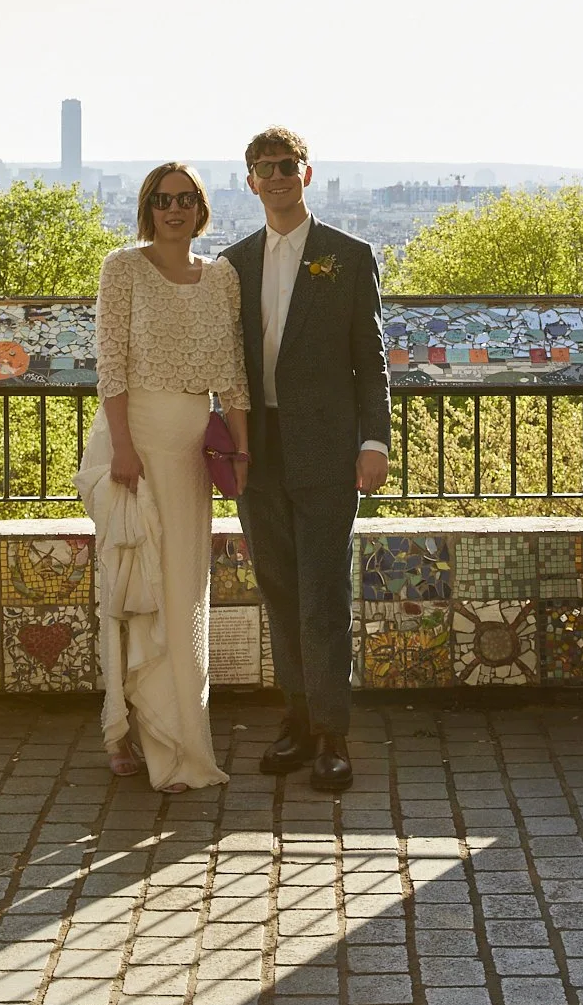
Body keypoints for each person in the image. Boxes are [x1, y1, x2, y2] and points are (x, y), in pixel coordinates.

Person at [223, 127, 391, 791]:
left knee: (323, 592)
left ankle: (332, 734)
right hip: (255, 449)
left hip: (326, 448)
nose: (278, 176)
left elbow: (370, 361)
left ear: (307, 174)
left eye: (287, 165)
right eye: (266, 168)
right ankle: (295, 719)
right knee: (279, 589)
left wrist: (373, 441)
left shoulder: (348, 256)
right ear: (251, 181)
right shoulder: (231, 264)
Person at [77, 162, 249, 792]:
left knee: (180, 590)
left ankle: (178, 734)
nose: (173, 208)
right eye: (162, 199)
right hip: (136, 444)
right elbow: (111, 366)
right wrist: (122, 448)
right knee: (132, 584)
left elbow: (232, 372)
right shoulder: (121, 268)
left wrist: (243, 451)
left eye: (185, 198)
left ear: (201, 207)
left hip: (188, 454)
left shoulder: (222, 276)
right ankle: (125, 730)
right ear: (147, 207)